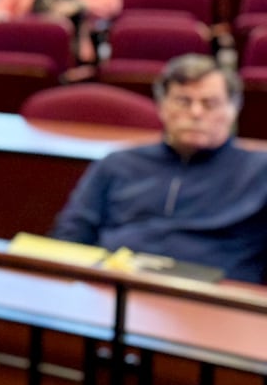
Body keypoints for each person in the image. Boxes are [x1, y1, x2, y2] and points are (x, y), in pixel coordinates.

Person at [52, 54, 267, 282]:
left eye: (210, 104)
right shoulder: (118, 163)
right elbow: (71, 234)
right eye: (183, 101)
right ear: (162, 106)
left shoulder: (259, 172)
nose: (196, 113)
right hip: (113, 284)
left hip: (213, 294)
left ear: (233, 110)